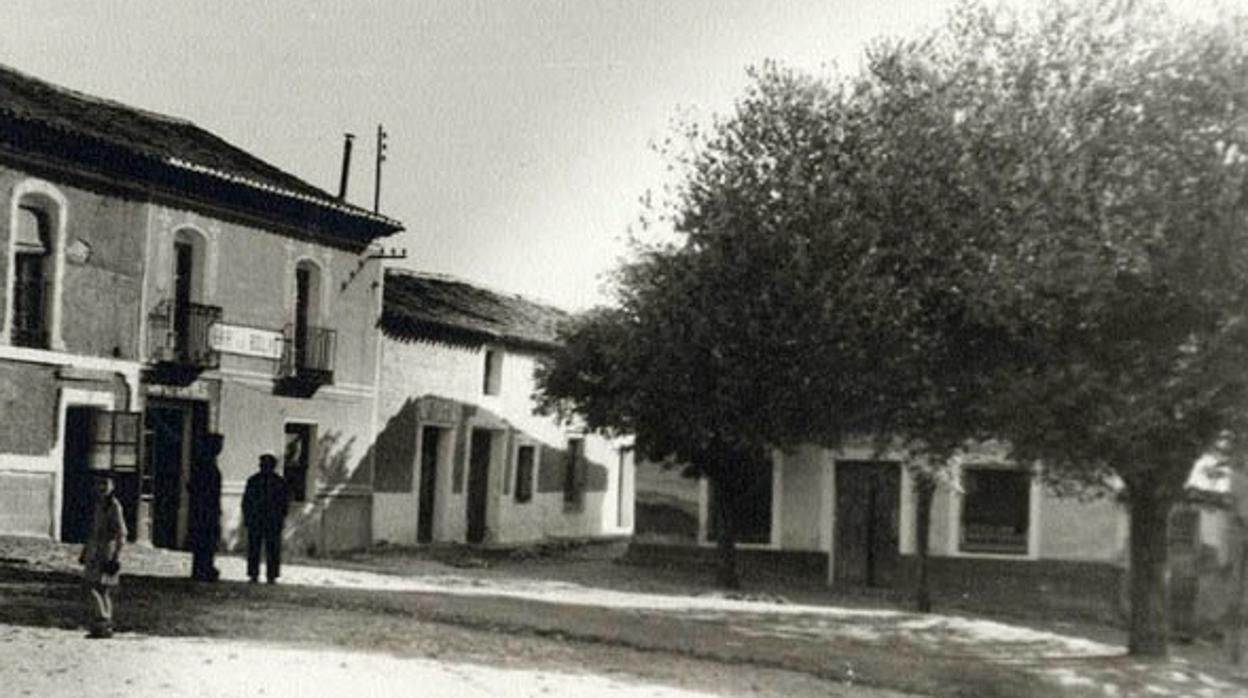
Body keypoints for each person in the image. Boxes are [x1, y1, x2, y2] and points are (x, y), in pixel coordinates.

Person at [79, 472, 126, 639]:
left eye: (105, 484)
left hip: (106, 551)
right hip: (94, 549)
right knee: (102, 590)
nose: (102, 487)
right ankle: (105, 627)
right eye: (99, 484)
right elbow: (92, 530)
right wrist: (85, 551)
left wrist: (116, 556)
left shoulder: (114, 506)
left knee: (92, 587)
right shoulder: (98, 505)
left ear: (112, 487)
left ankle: (103, 621)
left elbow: (122, 533)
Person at [242, 453, 288, 584]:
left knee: (261, 548)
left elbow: (283, 503)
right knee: (265, 548)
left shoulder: (255, 481)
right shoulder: (278, 482)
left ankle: (259, 574)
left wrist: (247, 517)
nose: (264, 467)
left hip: (264, 519)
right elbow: (247, 501)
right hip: (265, 519)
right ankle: (266, 575)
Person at [187, 433, 224, 581]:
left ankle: (202, 569)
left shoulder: (205, 465)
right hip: (205, 511)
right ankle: (203, 569)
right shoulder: (206, 467)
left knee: (205, 542)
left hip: (205, 510)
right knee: (205, 542)